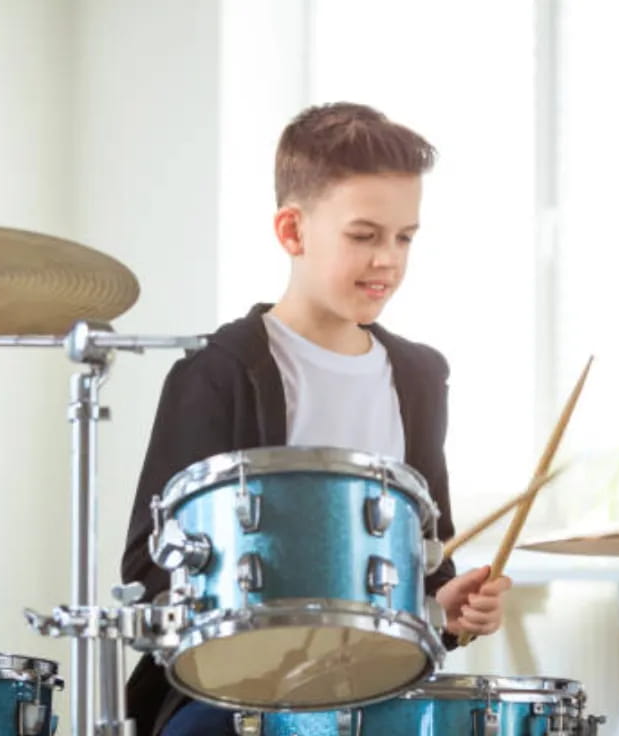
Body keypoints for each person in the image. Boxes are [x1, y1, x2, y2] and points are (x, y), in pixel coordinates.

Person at [120, 102, 512, 736]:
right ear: (292, 232)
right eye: (364, 236)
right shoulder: (220, 369)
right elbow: (146, 567)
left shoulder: (418, 377)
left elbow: (428, 561)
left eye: (404, 237)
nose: (388, 258)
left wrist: (447, 609)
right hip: (238, 694)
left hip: (380, 686)